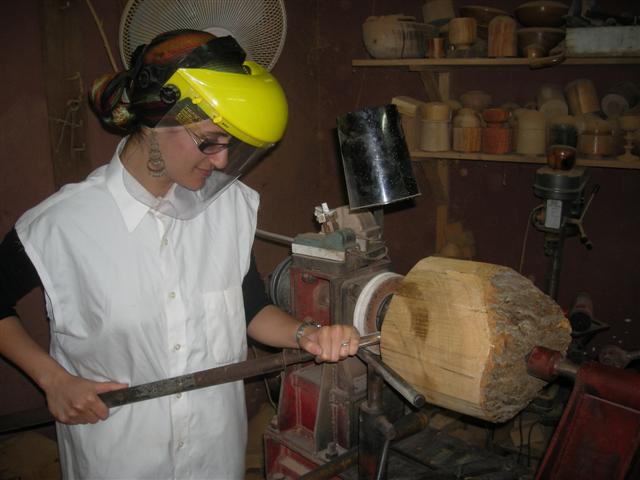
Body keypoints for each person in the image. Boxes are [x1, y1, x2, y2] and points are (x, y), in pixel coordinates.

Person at [0, 29, 359, 479]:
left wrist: (306, 333)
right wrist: (53, 380)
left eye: (231, 143)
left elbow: (247, 305)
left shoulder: (229, 207)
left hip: (214, 456)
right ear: (156, 120)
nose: (223, 161)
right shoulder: (61, 225)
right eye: (210, 139)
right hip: (118, 459)